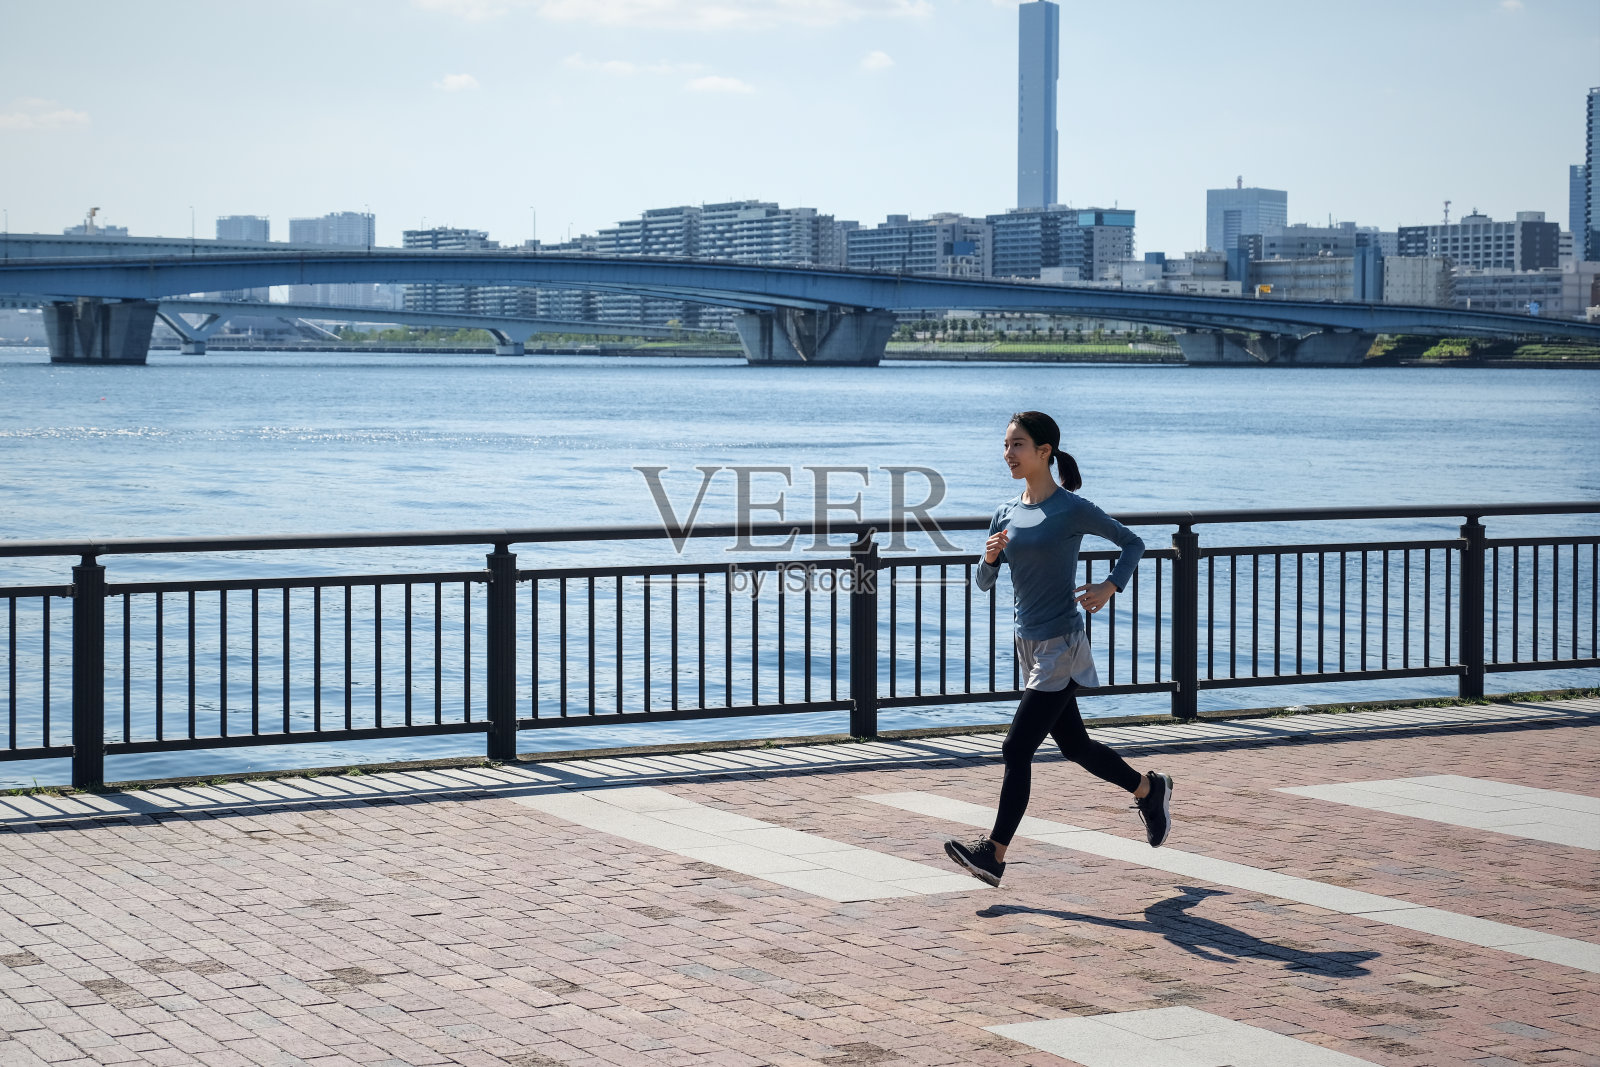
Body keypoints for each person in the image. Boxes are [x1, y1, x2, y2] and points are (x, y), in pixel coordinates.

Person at [944, 411, 1172, 888]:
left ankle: (994, 854)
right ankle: (1150, 790)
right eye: (1006, 445)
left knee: (1016, 747)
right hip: (1027, 644)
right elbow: (983, 582)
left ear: (1044, 452)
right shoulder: (1006, 511)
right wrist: (987, 559)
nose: (1008, 454)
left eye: (1018, 445)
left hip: (1061, 645)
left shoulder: (1071, 509)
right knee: (1075, 746)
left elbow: (1132, 543)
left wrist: (1110, 586)